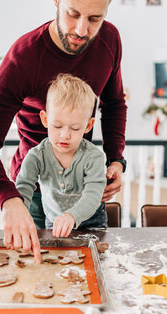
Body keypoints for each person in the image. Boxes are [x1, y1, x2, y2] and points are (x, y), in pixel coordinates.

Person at [0, 0, 127, 264]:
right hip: (34, 185)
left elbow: (114, 103)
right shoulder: (23, 57)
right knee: (35, 270)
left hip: (85, 182)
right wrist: (7, 198)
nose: (82, 30)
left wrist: (116, 159)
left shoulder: (110, 40)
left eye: (95, 18)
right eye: (72, 13)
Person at [16, 74, 107, 238]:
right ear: (45, 119)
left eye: (75, 128)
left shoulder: (94, 157)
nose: (65, 135)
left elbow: (94, 194)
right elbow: (24, 187)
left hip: (92, 222)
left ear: (88, 125)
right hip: (54, 221)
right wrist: (20, 214)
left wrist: (72, 216)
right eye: (57, 126)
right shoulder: (36, 156)